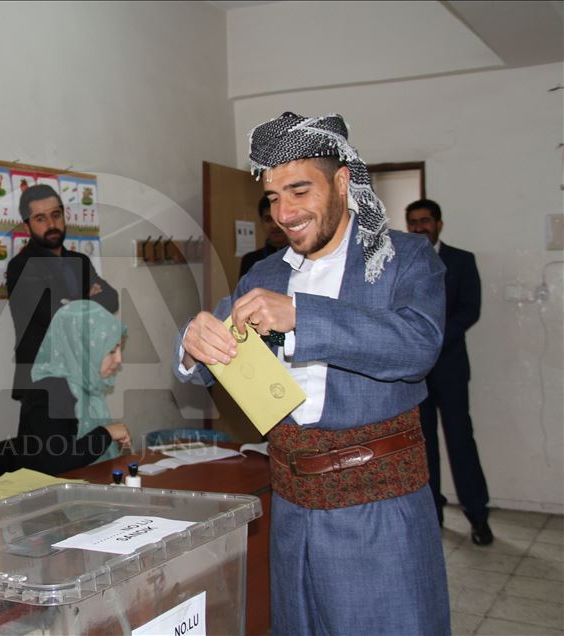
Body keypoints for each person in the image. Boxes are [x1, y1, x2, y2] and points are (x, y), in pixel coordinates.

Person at [175, 112, 450, 634]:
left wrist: (303, 315)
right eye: (273, 197)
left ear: (342, 182)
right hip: (292, 508)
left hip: (378, 509)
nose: (285, 213)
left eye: (299, 191)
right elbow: (214, 358)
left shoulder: (403, 258)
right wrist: (194, 344)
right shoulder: (264, 273)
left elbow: (418, 345)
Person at [406, 198, 492, 544]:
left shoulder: (461, 260)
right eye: (413, 222)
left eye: (425, 221)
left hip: (451, 367)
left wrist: (433, 339)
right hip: (416, 374)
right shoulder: (402, 261)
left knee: (460, 442)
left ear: (438, 224)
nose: (419, 228)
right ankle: (433, 516)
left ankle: (478, 516)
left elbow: (471, 309)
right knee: (422, 446)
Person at [6, 184, 118, 401]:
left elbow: (112, 299)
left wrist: (70, 303)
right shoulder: (21, 267)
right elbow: (55, 316)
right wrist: (87, 299)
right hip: (43, 384)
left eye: (56, 215)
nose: (51, 225)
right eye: (40, 219)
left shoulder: (80, 262)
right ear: (27, 227)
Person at [11, 300, 133, 475]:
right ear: (82, 349)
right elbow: (57, 463)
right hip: (45, 490)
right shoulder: (46, 393)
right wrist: (106, 433)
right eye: (112, 351)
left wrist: (110, 438)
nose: (119, 359)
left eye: (119, 349)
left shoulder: (86, 384)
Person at [239, 195, 288, 279]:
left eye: (279, 218)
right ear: (261, 222)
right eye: (268, 219)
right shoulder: (250, 260)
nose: (274, 225)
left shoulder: (304, 258)